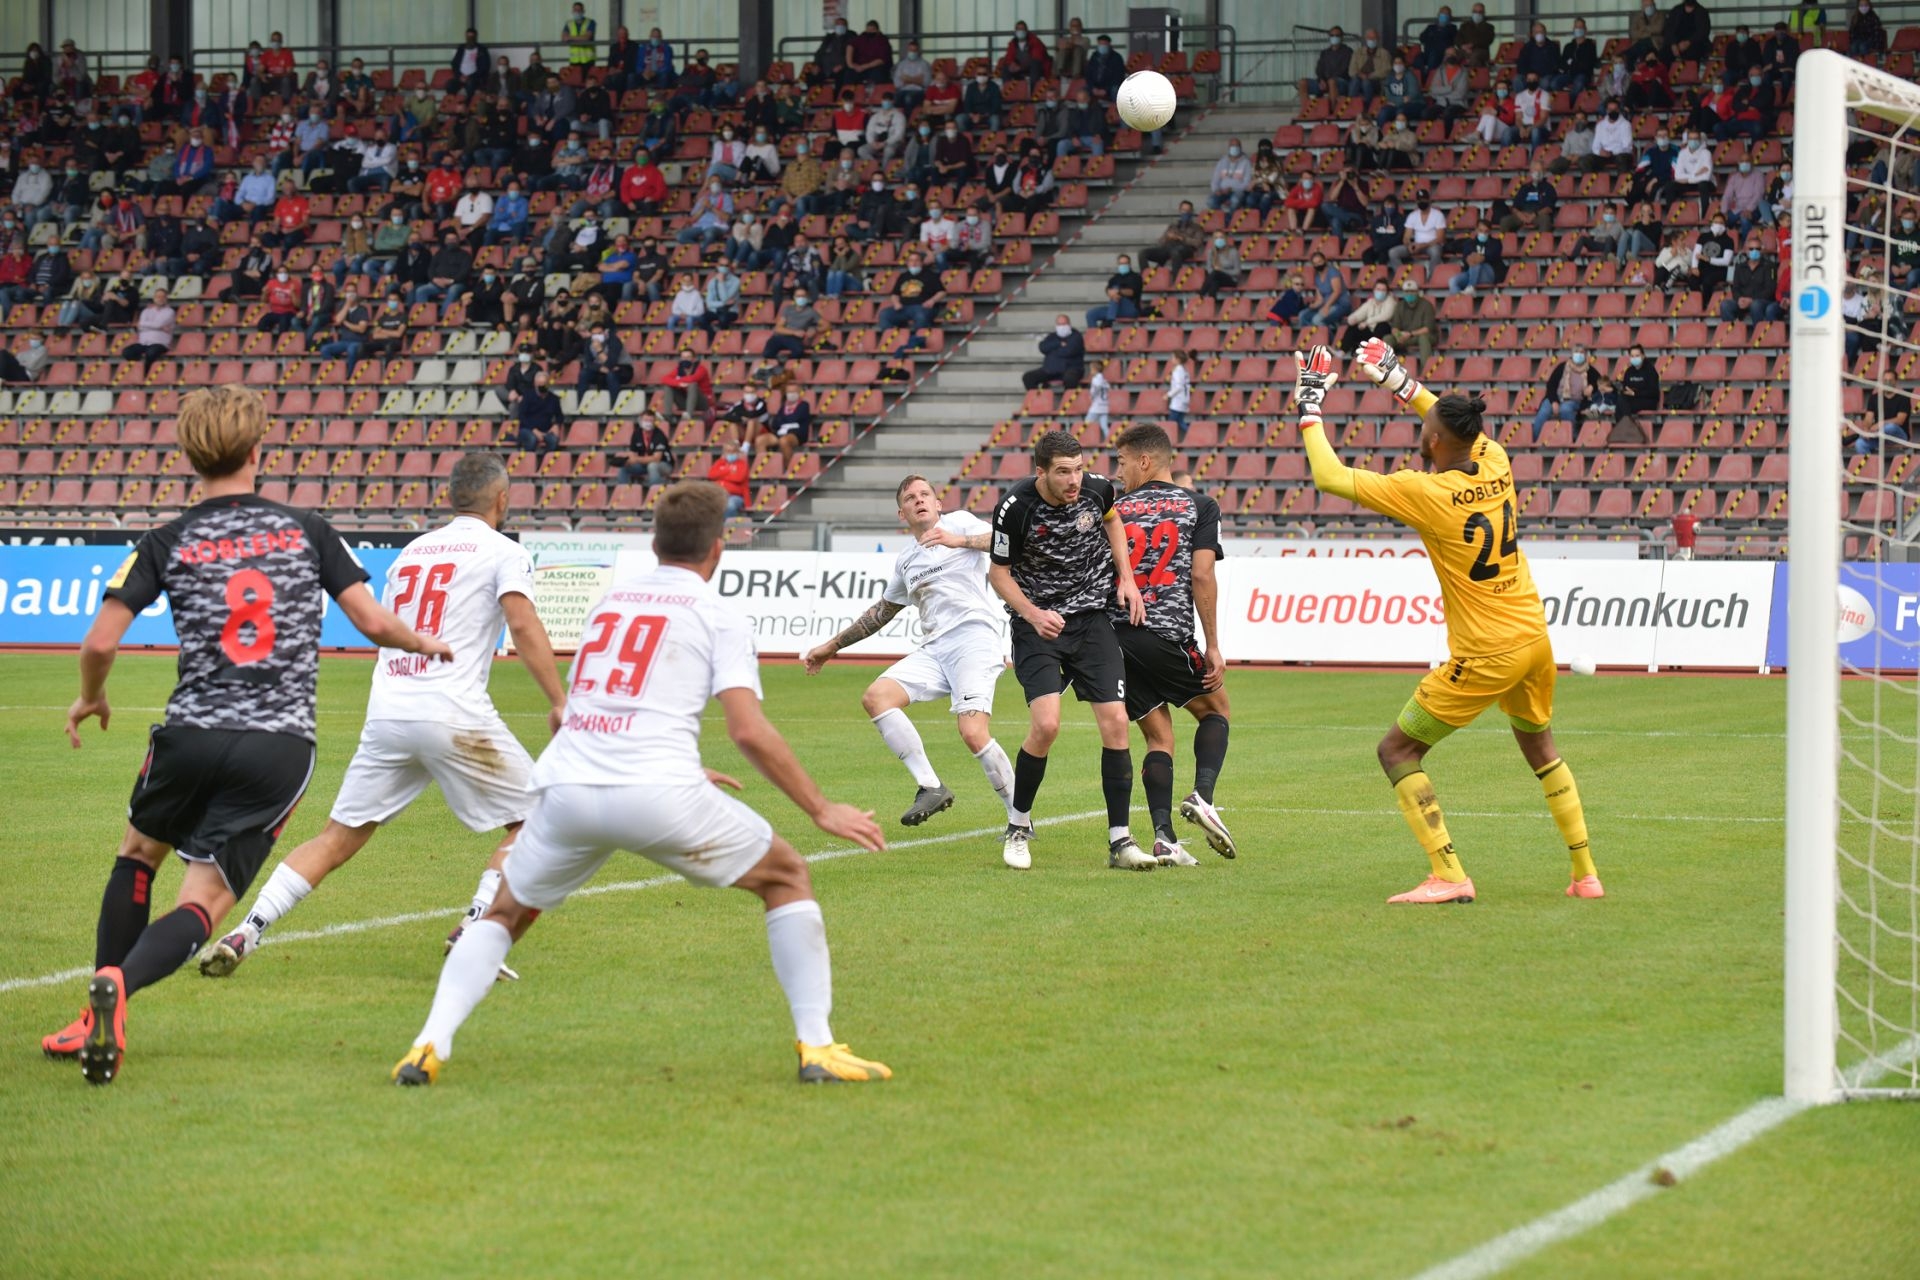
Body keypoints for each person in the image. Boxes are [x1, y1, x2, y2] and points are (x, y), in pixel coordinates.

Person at [392, 481, 890, 1087]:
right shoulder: (717, 611)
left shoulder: (611, 602)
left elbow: (574, 708)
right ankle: (817, 1047)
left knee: (504, 913)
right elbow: (749, 731)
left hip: (569, 788)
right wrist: (820, 808)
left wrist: (671, 758)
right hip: (657, 794)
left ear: (654, 542)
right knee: (787, 877)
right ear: (718, 549)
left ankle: (426, 1046)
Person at [41, 385, 450, 1083]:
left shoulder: (166, 540)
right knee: (203, 902)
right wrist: (430, 646)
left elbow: (101, 641)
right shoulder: (308, 530)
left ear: (188, 458)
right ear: (258, 451)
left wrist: (90, 698)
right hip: (278, 746)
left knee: (139, 854)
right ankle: (123, 989)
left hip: (193, 730)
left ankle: (95, 1004)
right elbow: (375, 624)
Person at [202, 454, 566, 979]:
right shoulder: (504, 550)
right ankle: (475, 926)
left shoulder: (412, 552)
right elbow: (523, 623)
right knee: (537, 820)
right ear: (502, 500)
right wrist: (559, 699)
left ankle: (247, 930)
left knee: (336, 838)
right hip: (452, 710)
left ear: (450, 499)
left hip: (390, 711)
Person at [1290, 343, 1602, 904]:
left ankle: (1450, 875)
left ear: (1433, 440)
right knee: (1541, 748)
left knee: (1397, 752)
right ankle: (1585, 874)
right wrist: (1400, 382)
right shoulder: (1495, 458)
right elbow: (1447, 419)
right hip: (1533, 636)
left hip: (1486, 652)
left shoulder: (1427, 491)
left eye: (1425, 423)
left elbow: (1329, 476)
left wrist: (1309, 403)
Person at [802, 474, 1019, 826]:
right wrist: (832, 646)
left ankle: (1018, 819)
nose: (918, 500)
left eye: (925, 494)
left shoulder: (959, 523)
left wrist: (958, 540)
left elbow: (1006, 541)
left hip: (974, 640)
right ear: (902, 514)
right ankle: (931, 786)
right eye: (910, 498)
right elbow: (882, 613)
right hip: (935, 649)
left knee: (973, 733)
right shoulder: (906, 561)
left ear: (937, 504)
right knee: (876, 697)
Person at [987, 431, 1151, 871]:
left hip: (1092, 621)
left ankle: (1121, 841)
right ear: (1040, 471)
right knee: (1046, 726)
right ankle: (1018, 826)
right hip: (1036, 627)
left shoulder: (1097, 489)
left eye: (1078, 468)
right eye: (1063, 471)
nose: (1074, 479)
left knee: (1117, 723)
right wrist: (1034, 614)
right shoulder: (1015, 507)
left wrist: (1127, 578)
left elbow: (1113, 519)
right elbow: (998, 574)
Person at [1110, 424, 1235, 865]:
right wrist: (1214, 644)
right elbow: (1202, 575)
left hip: (1113, 639)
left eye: (1121, 461)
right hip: (1164, 633)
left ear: (1145, 461)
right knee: (1216, 709)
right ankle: (1202, 797)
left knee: (1158, 736)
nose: (1118, 470)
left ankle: (1164, 837)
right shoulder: (1199, 505)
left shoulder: (1113, 508)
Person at [1532, 344, 1593, 438]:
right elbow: (1551, 385)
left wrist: (1592, 387)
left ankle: (1572, 437)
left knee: (1565, 409)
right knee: (1544, 411)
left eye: (1581, 352)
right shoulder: (1562, 367)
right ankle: (1535, 440)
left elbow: (1601, 382)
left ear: (1585, 355)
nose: (1579, 355)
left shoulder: (1589, 370)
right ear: (1572, 354)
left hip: (1574, 400)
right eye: (1576, 352)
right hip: (1556, 397)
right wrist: (1554, 402)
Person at [1142, 200, 1208, 272]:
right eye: (1183, 210)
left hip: (1186, 249)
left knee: (1175, 253)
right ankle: (1145, 277)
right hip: (1168, 248)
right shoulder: (1173, 225)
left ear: (1192, 211)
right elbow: (1160, 242)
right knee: (1143, 253)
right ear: (1180, 210)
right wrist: (1167, 237)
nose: (1185, 213)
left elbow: (1197, 243)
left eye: (1188, 210)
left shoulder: (1197, 227)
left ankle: (1175, 280)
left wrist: (1181, 238)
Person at [1024, 315, 1085, 390]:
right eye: (1059, 324)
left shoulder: (1076, 336)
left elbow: (1068, 351)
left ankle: (1068, 400)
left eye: (1064, 324)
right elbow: (1043, 347)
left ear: (1069, 324)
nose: (1061, 327)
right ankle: (1038, 399)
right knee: (1028, 377)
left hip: (1071, 369)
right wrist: (1059, 344)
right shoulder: (1052, 336)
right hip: (1050, 370)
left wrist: (1052, 350)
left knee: (1070, 379)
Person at [514, 369, 563, 462]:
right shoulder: (527, 397)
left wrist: (556, 425)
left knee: (553, 440)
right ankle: (528, 463)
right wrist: (534, 430)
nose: (542, 386)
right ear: (535, 384)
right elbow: (522, 416)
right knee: (532, 440)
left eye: (544, 383)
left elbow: (560, 416)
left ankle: (544, 463)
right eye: (539, 384)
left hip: (546, 429)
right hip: (527, 429)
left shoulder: (554, 399)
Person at [618, 412, 676, 487]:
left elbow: (656, 459)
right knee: (624, 466)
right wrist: (630, 460)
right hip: (644, 465)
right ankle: (624, 493)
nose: (648, 423)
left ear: (654, 422)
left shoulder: (659, 435)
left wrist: (637, 459)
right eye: (646, 420)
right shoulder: (637, 433)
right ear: (641, 421)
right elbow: (632, 452)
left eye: (650, 420)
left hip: (664, 465)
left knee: (652, 466)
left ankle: (655, 491)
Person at [124, 288, 176, 370]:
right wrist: (159, 328)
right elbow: (141, 325)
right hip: (143, 343)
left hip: (160, 343)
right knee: (127, 352)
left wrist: (146, 325)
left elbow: (159, 324)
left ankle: (146, 373)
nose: (160, 298)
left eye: (162, 297)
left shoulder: (169, 312)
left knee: (151, 353)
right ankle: (138, 369)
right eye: (158, 296)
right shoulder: (146, 311)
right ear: (154, 298)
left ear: (166, 299)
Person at [1389, 282, 1440, 362]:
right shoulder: (1400, 305)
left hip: (1422, 336)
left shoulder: (1426, 305)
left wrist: (1410, 334)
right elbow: (1394, 327)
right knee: (1387, 338)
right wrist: (1398, 335)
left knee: (1423, 339)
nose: (1409, 294)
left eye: (1412, 291)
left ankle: (1426, 370)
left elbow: (1427, 328)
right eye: (1407, 292)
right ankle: (1385, 369)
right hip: (1405, 336)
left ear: (1417, 292)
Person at [1087, 254, 1143, 328]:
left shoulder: (1136, 277)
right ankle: (1095, 338)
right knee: (1091, 314)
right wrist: (1109, 292)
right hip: (1116, 309)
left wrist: (1118, 291)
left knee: (1115, 288)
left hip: (1131, 309)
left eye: (1125, 263)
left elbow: (1132, 292)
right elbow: (1108, 290)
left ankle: (1110, 320)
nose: (1123, 265)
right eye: (1121, 263)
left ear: (1129, 264)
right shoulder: (1115, 278)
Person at [707, 426, 752, 516]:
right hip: (718, 495)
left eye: (733, 451)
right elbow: (711, 475)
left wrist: (721, 474)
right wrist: (728, 471)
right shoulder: (719, 462)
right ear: (724, 453)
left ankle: (726, 528)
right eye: (728, 451)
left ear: (738, 453)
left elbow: (738, 478)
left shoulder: (742, 464)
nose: (730, 454)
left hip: (735, 496)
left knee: (729, 505)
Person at [1208, 140, 1253, 211]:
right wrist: (1216, 190)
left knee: (1235, 201)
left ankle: (1229, 220)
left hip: (1238, 191)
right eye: (1232, 146)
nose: (1234, 148)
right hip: (1222, 191)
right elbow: (1215, 180)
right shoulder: (1222, 162)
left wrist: (1232, 189)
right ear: (1229, 148)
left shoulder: (1246, 163)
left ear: (1240, 147)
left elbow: (1247, 183)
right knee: (1211, 201)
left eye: (1236, 146)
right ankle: (1220, 219)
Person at [1309, 27, 1353, 98]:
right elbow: (1319, 69)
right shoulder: (1325, 53)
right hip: (1325, 81)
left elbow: (1345, 70)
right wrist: (1321, 79)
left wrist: (1328, 80)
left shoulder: (1348, 52)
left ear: (1342, 37)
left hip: (1342, 82)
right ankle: (1305, 108)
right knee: (1303, 83)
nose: (1334, 37)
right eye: (1332, 35)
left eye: (1337, 35)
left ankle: (1332, 108)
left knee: (1332, 82)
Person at [1166, 349, 1193, 432]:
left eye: (1173, 357)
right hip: (1183, 399)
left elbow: (1178, 386)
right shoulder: (1183, 370)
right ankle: (1192, 435)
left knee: (1170, 424)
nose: (1171, 359)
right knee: (1180, 421)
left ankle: (1165, 441)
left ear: (1177, 359)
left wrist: (1168, 395)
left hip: (1178, 400)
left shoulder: (1178, 370)